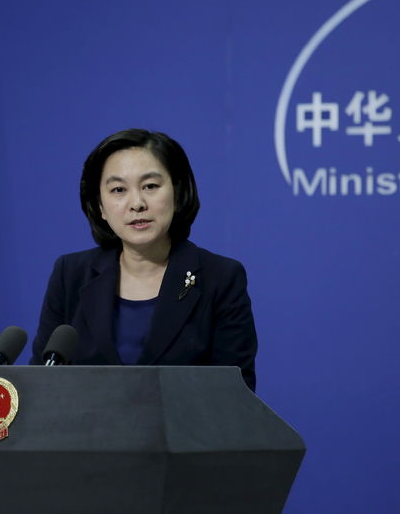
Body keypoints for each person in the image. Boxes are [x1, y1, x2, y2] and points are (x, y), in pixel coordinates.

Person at [30, 129, 257, 391]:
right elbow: (42, 384)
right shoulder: (70, 274)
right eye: (118, 190)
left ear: (177, 192)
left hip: (185, 432)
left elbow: (237, 398)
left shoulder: (220, 278)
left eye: (150, 186)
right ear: (100, 206)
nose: (136, 203)